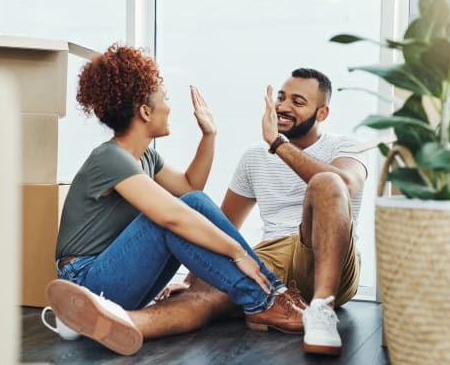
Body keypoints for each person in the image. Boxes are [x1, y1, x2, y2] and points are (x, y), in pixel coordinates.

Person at [46, 44, 306, 356]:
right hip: (84, 281)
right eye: (164, 99)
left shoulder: (146, 158)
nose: (169, 107)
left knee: (189, 204)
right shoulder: (108, 157)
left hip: (111, 276)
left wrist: (209, 136)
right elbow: (174, 215)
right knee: (175, 216)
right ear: (145, 110)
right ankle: (266, 299)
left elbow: (190, 188)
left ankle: (271, 295)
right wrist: (238, 252)